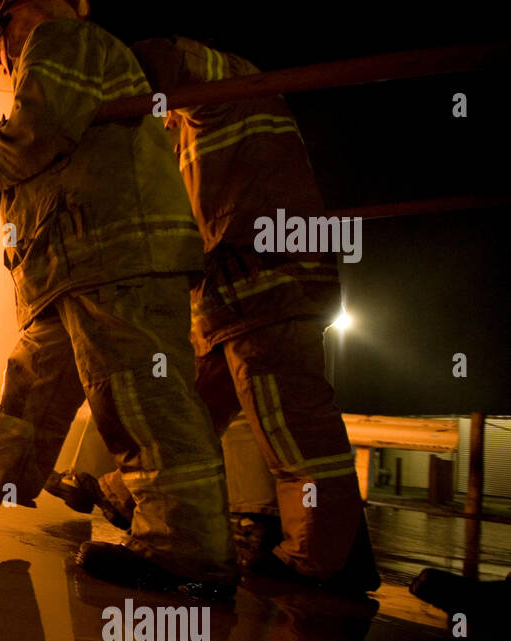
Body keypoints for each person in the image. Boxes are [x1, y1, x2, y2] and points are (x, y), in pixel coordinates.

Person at [0, 0, 233, 590]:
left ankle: (187, 549)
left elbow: (34, 136)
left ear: (10, 24)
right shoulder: (71, 60)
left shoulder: (59, 39)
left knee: (138, 395)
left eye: (0, 55)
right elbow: (43, 167)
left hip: (116, 255)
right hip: (73, 262)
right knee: (35, 379)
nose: (6, 67)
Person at [49, 35, 378, 593]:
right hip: (240, 289)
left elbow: (166, 60)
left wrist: (82, 88)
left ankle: (327, 557)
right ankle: (124, 495)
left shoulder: (227, 90)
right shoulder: (192, 128)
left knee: (292, 424)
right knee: (194, 407)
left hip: (268, 280)